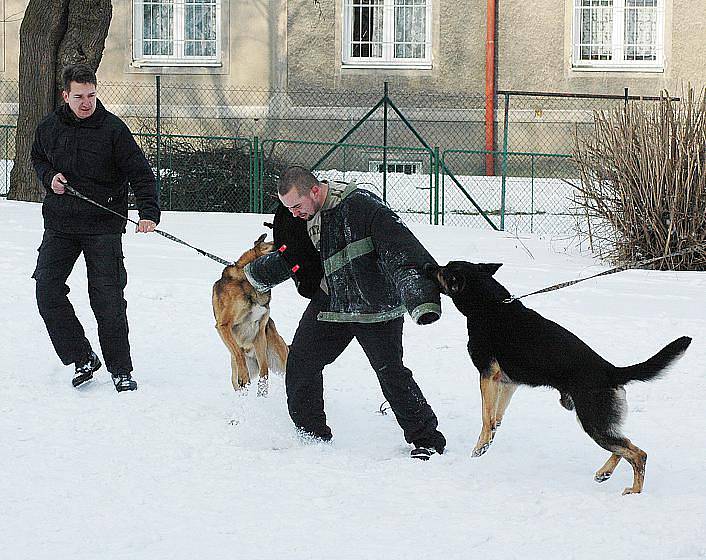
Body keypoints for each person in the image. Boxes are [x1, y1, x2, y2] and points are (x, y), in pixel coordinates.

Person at [246, 166, 446, 460]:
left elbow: (403, 251)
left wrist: (421, 299)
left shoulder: (362, 207)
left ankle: (427, 440)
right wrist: (254, 274)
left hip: (374, 308)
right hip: (332, 302)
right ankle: (311, 436)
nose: (294, 214)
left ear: (315, 190)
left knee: (391, 373)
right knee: (300, 365)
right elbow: (296, 256)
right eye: (288, 208)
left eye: (297, 206)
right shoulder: (302, 217)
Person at [30, 63, 160, 392]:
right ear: (65, 96)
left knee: (107, 299)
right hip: (60, 224)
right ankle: (81, 357)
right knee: (46, 290)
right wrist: (49, 178)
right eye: (79, 97)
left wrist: (148, 212)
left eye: (91, 95)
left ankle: (121, 369)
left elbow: (141, 174)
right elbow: (38, 159)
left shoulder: (113, 129)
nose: (86, 102)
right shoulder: (48, 127)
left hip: (103, 226)